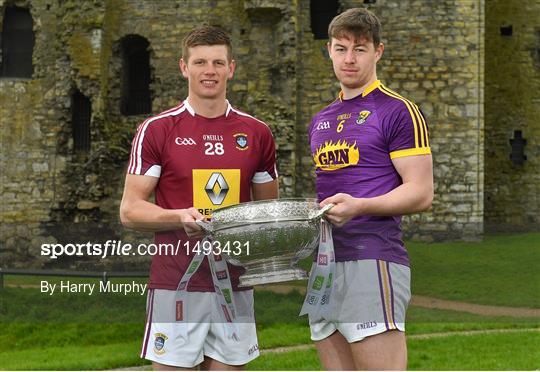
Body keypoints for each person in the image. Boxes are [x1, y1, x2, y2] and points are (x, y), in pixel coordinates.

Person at [120, 25, 278, 370]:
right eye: (201, 62)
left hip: (234, 288)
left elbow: (267, 215)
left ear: (231, 68)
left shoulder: (257, 133)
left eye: (219, 63)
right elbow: (130, 211)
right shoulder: (158, 129)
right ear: (183, 67)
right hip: (176, 285)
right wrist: (179, 217)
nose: (210, 71)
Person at [308, 8, 433, 370]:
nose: (349, 58)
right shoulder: (321, 119)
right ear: (328, 51)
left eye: (360, 49)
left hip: (373, 258)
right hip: (326, 265)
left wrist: (359, 206)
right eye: (341, 48)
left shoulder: (398, 111)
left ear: (378, 51)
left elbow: (421, 192)